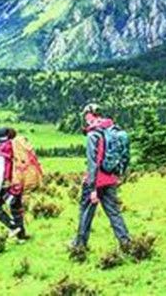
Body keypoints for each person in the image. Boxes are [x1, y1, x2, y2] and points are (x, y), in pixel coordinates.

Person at [70, 103, 131, 249]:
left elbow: (93, 162)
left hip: (96, 181)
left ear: (89, 115)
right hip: (110, 179)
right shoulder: (110, 129)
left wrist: (92, 188)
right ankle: (126, 243)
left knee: (86, 212)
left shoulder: (93, 134)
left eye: (86, 116)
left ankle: (79, 245)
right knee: (114, 213)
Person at [0, 127, 27, 241]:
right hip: (19, 181)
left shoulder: (2, 149)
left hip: (8, 183)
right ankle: (22, 237)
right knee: (16, 207)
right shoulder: (15, 146)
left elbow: (1, 172)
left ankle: (13, 227)